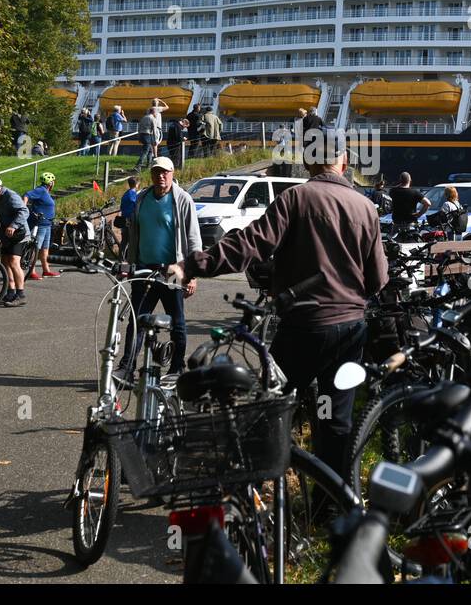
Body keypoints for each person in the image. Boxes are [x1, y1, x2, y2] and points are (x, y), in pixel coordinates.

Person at [167, 129, 387, 479]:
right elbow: (378, 279)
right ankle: (331, 505)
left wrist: (192, 265)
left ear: (309, 162)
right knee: (336, 420)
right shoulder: (366, 207)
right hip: (348, 329)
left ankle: (267, 482)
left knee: (274, 406)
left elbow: (250, 244)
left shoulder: (296, 198)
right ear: (343, 163)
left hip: (302, 326)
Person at [124, 157, 199, 375]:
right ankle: (127, 367)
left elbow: (194, 239)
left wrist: (192, 274)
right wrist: (130, 263)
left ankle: (177, 368)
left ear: (172, 173)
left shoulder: (183, 199)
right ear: (151, 175)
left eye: (165, 172)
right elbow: (133, 233)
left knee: (177, 323)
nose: (161, 176)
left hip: (173, 271)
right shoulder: (141, 198)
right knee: (136, 321)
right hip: (144, 269)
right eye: (156, 172)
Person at [0, 175, 30, 306]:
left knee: (14, 262)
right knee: (5, 261)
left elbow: (24, 211)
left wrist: (13, 226)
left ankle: (21, 294)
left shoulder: (11, 196)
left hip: (19, 234)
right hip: (7, 235)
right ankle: (11, 292)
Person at [23, 172, 60, 280]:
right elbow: (27, 195)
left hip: (47, 224)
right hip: (40, 224)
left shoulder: (46, 192)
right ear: (51, 183)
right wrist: (24, 208)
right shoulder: (41, 190)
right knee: (36, 248)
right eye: (53, 182)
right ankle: (32, 271)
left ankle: (46, 270)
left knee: (45, 249)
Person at [113, 175, 140, 259]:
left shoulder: (125, 194)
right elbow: (135, 204)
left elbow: (121, 207)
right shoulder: (133, 194)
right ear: (136, 184)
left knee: (124, 240)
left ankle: (121, 258)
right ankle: (130, 258)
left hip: (124, 218)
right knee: (132, 240)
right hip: (130, 220)